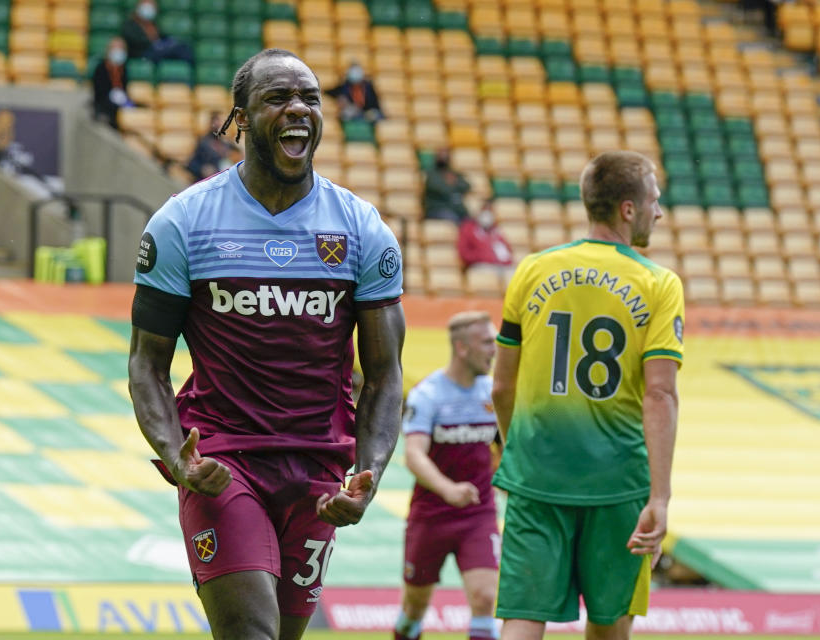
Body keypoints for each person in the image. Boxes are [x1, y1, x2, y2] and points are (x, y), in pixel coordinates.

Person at [127, 48, 406, 640]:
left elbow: (384, 375)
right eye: (278, 97)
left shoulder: (361, 230)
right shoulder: (183, 224)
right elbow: (147, 363)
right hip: (223, 463)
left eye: (309, 97)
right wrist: (178, 454)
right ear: (242, 118)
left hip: (319, 472)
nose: (299, 108)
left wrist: (370, 471)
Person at [490, 150, 683, 639]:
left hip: (536, 475)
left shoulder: (532, 269)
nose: (659, 212)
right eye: (655, 201)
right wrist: (660, 495)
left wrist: (524, 451)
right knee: (609, 624)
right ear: (628, 209)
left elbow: (501, 385)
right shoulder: (659, 284)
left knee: (521, 621)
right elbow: (659, 395)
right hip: (617, 481)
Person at [395, 311, 502, 640]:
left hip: (478, 514)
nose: (494, 350)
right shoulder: (428, 394)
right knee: (415, 607)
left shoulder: (494, 394)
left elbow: (506, 448)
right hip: (431, 516)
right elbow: (413, 454)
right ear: (462, 348)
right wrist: (448, 489)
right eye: (486, 342)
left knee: (485, 599)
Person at [121, 0, 194, 64]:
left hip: (157, 50)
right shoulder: (130, 24)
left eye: (151, 5)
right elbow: (134, 40)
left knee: (182, 47)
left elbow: (161, 36)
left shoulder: (153, 24)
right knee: (174, 49)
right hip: (143, 54)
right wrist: (154, 43)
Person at [458, 199, 514, 271]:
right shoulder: (469, 228)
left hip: (500, 266)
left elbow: (507, 252)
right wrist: (482, 257)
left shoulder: (496, 231)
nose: (487, 215)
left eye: (490, 211)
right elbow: (464, 252)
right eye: (484, 210)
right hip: (480, 265)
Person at [186, 112, 242, 181]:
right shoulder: (203, 143)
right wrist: (203, 169)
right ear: (210, 124)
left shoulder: (226, 143)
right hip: (209, 180)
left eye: (220, 121)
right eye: (215, 121)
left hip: (225, 179)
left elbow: (238, 155)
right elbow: (192, 164)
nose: (218, 124)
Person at [92, 37, 132, 130]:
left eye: (121, 49)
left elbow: (125, 88)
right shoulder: (101, 69)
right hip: (105, 106)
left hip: (120, 105)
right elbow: (99, 93)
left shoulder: (124, 69)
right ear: (109, 51)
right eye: (116, 49)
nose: (118, 51)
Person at [423, 148, 471, 223]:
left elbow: (466, 186)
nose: (444, 158)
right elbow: (442, 189)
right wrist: (452, 184)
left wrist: (454, 182)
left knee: (470, 222)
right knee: (453, 219)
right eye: (441, 156)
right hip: (437, 209)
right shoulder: (432, 174)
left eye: (446, 156)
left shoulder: (452, 172)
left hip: (456, 209)